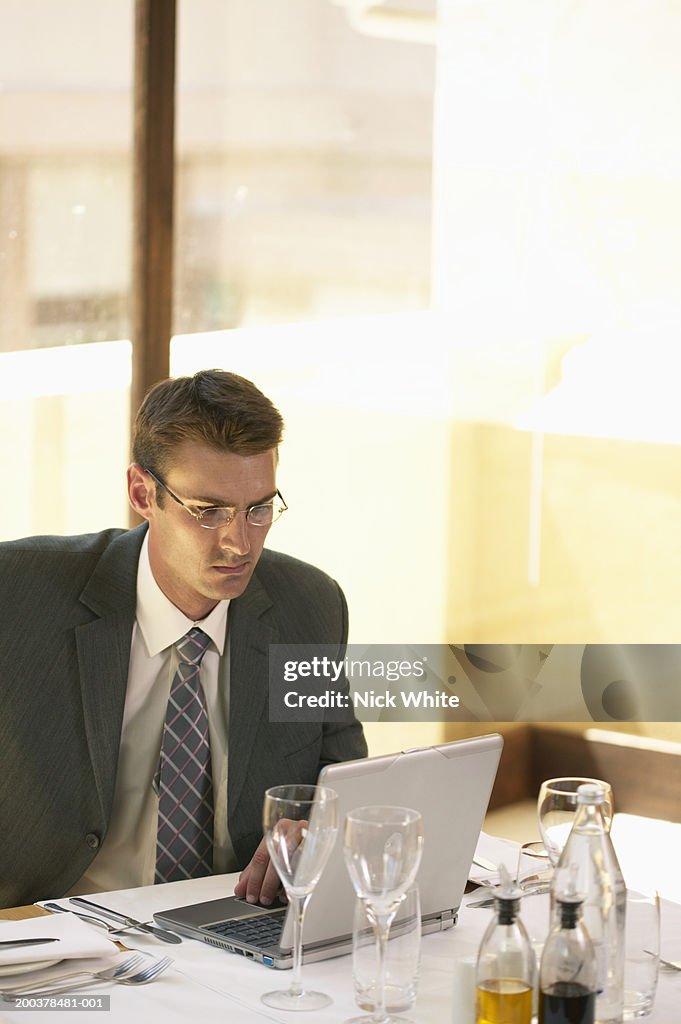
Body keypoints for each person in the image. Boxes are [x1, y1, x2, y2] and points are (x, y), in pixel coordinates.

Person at [0, 369, 367, 910]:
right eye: (208, 511)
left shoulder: (308, 606)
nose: (239, 542)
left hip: (235, 927)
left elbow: (343, 787)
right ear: (143, 494)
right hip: (57, 938)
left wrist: (316, 833)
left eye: (259, 509)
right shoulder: (19, 593)